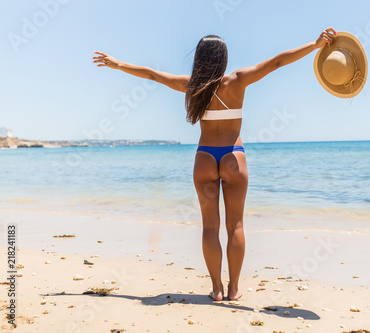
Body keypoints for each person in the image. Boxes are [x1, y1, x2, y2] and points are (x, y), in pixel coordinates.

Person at [92, 27, 337, 301]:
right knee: (236, 226)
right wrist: (314, 46)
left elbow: (151, 74)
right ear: (223, 57)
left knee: (210, 227)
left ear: (199, 58)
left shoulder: (191, 85)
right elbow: (277, 61)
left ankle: (217, 289)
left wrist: (117, 64)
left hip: (205, 157)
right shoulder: (238, 80)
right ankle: (234, 290)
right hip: (234, 156)